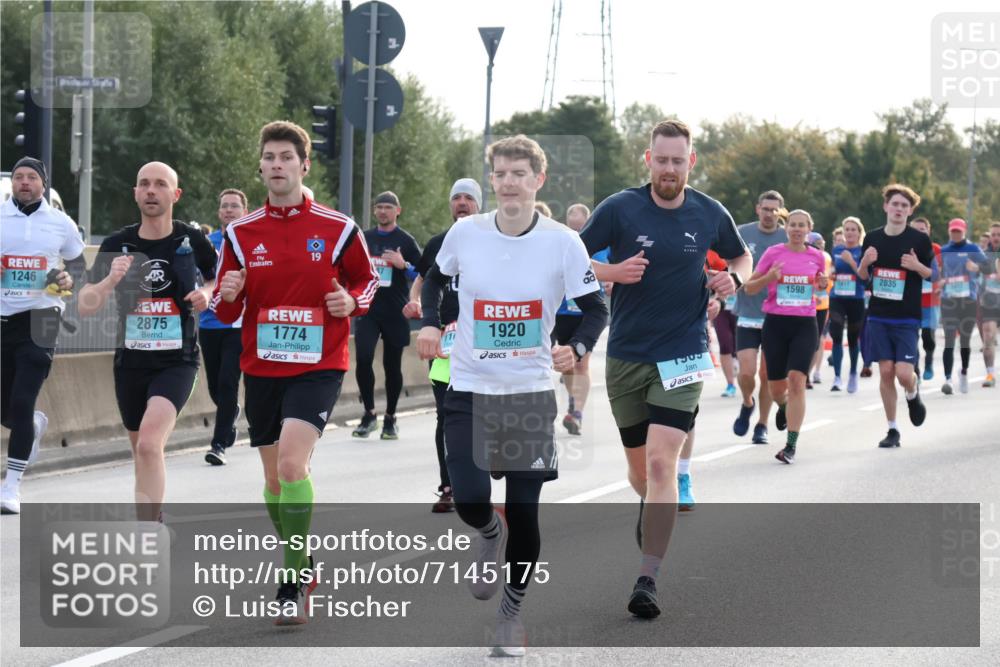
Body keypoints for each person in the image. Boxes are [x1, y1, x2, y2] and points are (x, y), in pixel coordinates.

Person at [417, 135, 607, 656]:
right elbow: (434, 279)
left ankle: (511, 616)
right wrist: (433, 324)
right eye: (499, 174)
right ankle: (486, 534)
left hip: (527, 393)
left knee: (525, 513)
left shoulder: (563, 242)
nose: (508, 183)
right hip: (469, 387)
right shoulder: (466, 233)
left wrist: (578, 346)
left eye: (519, 174)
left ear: (538, 180)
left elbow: (595, 307)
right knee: (472, 499)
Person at [581, 120, 751, 619]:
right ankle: (652, 505)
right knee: (640, 470)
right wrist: (612, 273)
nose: (670, 169)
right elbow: (569, 256)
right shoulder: (619, 208)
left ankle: (647, 578)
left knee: (661, 464)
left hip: (685, 351)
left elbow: (741, 255)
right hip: (628, 354)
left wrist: (732, 280)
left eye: (679, 160)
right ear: (648, 159)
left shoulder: (709, 210)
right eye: (662, 159)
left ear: (690, 162)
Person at [212, 120, 378, 624]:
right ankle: (304, 561)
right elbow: (221, 308)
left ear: (304, 165)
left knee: (290, 465)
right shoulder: (240, 234)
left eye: (287, 157)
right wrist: (232, 293)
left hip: (319, 366)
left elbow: (368, 283)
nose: (277, 165)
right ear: (260, 166)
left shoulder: (337, 227)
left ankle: (290, 582)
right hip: (261, 367)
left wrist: (350, 300)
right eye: (270, 157)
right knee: (273, 479)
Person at [78, 162, 217, 520]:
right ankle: (151, 517)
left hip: (177, 360)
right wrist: (110, 280)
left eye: (160, 184)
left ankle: (148, 532)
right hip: (130, 362)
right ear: (136, 193)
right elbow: (85, 306)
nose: (151, 190)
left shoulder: (192, 240)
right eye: (144, 184)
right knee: (141, 450)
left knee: (150, 444)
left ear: (176, 194)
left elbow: (220, 279)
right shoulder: (116, 244)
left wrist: (206, 292)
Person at [1, 157, 85, 514]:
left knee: (22, 399)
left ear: (43, 184)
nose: (23, 182)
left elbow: (79, 264)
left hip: (43, 314)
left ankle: (11, 487)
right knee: (10, 407)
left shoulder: (60, 223)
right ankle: (31, 425)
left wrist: (68, 280)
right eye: (18, 177)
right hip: (4, 316)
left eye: (31, 177)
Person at [403, 177, 483, 513]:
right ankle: (449, 486)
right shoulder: (439, 243)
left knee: (485, 414)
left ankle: (483, 468)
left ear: (479, 204)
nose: (462, 203)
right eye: (456, 198)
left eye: (468, 198)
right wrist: (416, 304)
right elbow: (423, 281)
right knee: (446, 415)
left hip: (487, 343)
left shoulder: (493, 240)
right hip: (446, 345)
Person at [743, 210, 828, 463]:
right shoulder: (773, 253)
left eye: (802, 225)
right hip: (776, 325)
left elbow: (822, 285)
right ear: (786, 228)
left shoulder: (817, 256)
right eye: (793, 225)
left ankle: (790, 446)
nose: (797, 229)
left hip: (804, 324)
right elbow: (749, 288)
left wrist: (823, 284)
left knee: (797, 380)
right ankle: (782, 406)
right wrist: (770, 277)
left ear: (809, 229)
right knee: (776, 387)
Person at [856, 184, 932, 448]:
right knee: (886, 372)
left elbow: (931, 274)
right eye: (895, 204)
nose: (899, 209)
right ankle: (892, 429)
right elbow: (864, 276)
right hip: (878, 315)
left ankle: (912, 392)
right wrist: (864, 263)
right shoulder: (873, 238)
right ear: (886, 207)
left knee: (902, 373)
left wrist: (916, 265)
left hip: (907, 317)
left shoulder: (919, 241)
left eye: (904, 206)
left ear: (910, 211)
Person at [352, 191, 422, 440]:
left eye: (388, 207)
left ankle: (391, 418)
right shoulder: (364, 238)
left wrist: (403, 265)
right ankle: (369, 413)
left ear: (397, 211)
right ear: (374, 211)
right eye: (379, 207)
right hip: (368, 310)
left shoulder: (405, 240)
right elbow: (350, 269)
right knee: (362, 357)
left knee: (392, 366)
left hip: (395, 311)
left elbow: (424, 275)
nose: (383, 211)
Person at [731, 191, 787, 444]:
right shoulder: (743, 232)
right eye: (766, 209)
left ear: (781, 212)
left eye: (775, 210)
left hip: (776, 315)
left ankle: (762, 425)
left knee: (766, 375)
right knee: (746, 373)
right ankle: (747, 402)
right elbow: (730, 263)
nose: (770, 214)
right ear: (758, 209)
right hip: (747, 313)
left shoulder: (787, 237)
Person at [552, 202, 610, 435]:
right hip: (561, 311)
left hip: (586, 312)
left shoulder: (598, 246)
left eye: (580, 228)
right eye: (572, 228)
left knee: (581, 363)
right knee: (566, 364)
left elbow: (607, 270)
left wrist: (610, 281)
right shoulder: (562, 244)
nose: (577, 233)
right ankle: (572, 405)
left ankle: (576, 413)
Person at [200, 189, 249, 465]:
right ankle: (230, 414)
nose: (229, 210)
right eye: (225, 206)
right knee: (215, 388)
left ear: (244, 211)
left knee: (228, 382)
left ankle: (218, 444)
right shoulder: (207, 243)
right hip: (209, 322)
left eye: (234, 206)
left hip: (237, 323)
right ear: (219, 212)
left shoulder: (250, 243)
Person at [938, 218, 991, 394]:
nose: (955, 234)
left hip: (968, 300)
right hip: (948, 300)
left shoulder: (973, 249)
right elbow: (936, 272)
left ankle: (964, 372)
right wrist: (940, 280)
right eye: (953, 231)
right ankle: (947, 379)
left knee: (965, 341)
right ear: (949, 232)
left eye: (958, 231)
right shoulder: (944, 251)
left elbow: (989, 268)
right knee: (949, 339)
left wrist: (976, 267)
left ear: (964, 231)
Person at [828, 217, 868, 392]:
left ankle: (852, 373)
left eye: (853, 229)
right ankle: (837, 377)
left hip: (856, 299)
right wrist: (831, 274)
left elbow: (864, 278)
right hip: (837, 297)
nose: (850, 232)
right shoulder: (837, 250)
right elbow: (833, 271)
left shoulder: (863, 251)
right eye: (847, 229)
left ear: (859, 233)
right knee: (836, 334)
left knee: (853, 339)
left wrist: (852, 261)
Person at [908, 217, 943, 381]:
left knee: (927, 337)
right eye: (915, 229)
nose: (919, 232)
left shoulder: (936, 249)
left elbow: (944, 273)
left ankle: (928, 362)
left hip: (931, 300)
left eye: (922, 229)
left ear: (928, 231)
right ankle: (916, 370)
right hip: (911, 300)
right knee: (911, 337)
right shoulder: (905, 248)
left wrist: (942, 284)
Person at [708, 249, 738, 397]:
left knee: (738, 346)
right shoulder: (714, 256)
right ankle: (730, 384)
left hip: (741, 309)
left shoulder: (743, 261)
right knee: (725, 345)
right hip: (721, 308)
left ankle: (738, 362)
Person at [806, 231, 832, 387]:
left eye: (822, 243)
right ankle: (806, 373)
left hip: (821, 305)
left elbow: (827, 280)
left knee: (817, 340)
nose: (820, 246)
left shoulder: (825, 258)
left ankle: (810, 373)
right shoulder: (805, 256)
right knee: (809, 340)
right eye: (817, 243)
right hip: (805, 304)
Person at [981, 223, 1000, 387]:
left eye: (999, 234)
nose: (996, 237)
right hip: (990, 303)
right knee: (988, 338)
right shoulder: (984, 255)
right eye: (993, 234)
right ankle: (990, 374)